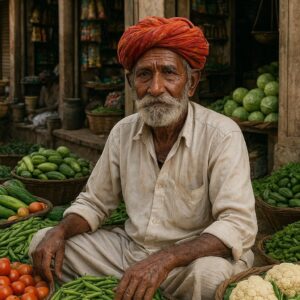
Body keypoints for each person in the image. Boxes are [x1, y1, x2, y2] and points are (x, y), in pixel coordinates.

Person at [29, 17, 257, 300]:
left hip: (189, 261)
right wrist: (61, 230)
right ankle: (132, 288)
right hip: (131, 253)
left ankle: (139, 287)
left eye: (169, 73)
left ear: (192, 83)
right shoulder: (123, 132)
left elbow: (237, 223)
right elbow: (95, 202)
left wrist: (165, 259)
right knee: (44, 243)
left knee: (209, 277)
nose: (156, 87)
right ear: (131, 82)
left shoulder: (221, 134)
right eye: (144, 75)